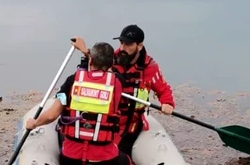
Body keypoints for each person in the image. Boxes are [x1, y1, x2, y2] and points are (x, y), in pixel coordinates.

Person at [25, 42, 138, 165]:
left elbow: (51, 115)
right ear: (111, 64)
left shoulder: (72, 81)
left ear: (91, 60)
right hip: (104, 157)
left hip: (72, 155)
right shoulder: (118, 83)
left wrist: (34, 123)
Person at [71, 25, 175, 156]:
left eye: (128, 44)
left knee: (115, 154)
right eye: (121, 43)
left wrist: (167, 103)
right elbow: (95, 60)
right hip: (107, 118)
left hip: (130, 124)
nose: (122, 48)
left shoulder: (149, 68)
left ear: (139, 46)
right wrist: (84, 50)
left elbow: (164, 89)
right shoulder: (112, 59)